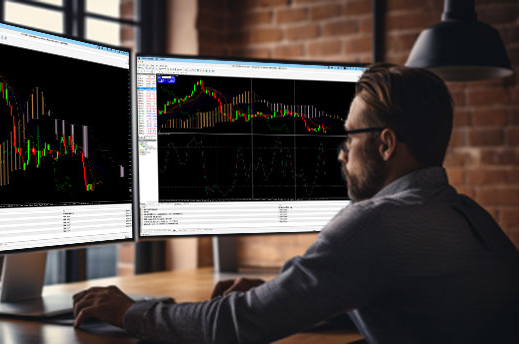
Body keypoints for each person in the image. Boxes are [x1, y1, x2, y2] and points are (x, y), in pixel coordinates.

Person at [72, 64, 519, 343]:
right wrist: (289, 299)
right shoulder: (470, 215)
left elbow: (234, 328)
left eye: (350, 136)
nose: (341, 152)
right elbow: (420, 312)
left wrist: (130, 312)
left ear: (385, 144)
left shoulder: (375, 223)